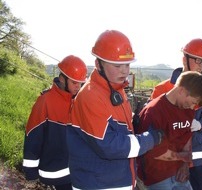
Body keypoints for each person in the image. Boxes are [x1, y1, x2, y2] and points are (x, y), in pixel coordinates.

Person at [66, 30, 163, 190]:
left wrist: (133, 120)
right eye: (118, 65)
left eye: (127, 64)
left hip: (114, 181)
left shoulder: (115, 88)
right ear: (98, 64)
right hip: (99, 184)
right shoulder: (91, 96)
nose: (125, 71)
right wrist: (149, 139)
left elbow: (113, 122)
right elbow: (109, 145)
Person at [150, 38, 202, 190]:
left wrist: (201, 125)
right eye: (198, 60)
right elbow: (153, 126)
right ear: (184, 59)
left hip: (199, 158)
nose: (201, 66)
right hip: (172, 160)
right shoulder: (163, 89)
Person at [136, 71, 202, 190]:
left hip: (179, 173)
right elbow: (156, 152)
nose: (192, 107)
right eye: (193, 102)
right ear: (181, 90)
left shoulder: (188, 109)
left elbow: (187, 136)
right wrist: (183, 157)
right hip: (157, 176)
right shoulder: (154, 111)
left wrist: (185, 164)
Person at [22, 55, 88, 190]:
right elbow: (32, 137)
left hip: (77, 173)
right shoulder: (45, 101)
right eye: (74, 82)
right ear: (63, 79)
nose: (78, 87)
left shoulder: (79, 101)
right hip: (53, 175)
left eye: (81, 83)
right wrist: (31, 174)